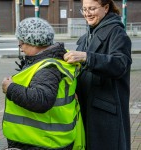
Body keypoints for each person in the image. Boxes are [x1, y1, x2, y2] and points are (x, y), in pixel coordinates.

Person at [2, 17, 85, 150]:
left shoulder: (47, 68)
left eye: (21, 43)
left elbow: (42, 100)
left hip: (41, 142)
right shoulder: (56, 59)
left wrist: (10, 88)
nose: (21, 48)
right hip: (48, 139)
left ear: (34, 42)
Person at [64, 0, 132, 150]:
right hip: (87, 107)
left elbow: (120, 64)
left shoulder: (117, 33)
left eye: (92, 9)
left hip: (105, 112)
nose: (87, 13)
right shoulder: (88, 34)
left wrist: (87, 57)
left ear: (106, 8)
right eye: (84, 9)